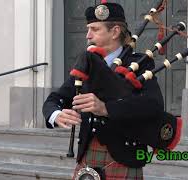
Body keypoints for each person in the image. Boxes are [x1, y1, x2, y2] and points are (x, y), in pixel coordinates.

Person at [42, 2, 164, 179]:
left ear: (114, 32)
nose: (87, 35)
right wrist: (56, 115)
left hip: (123, 156)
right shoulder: (86, 64)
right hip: (87, 156)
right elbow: (55, 99)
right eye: (88, 29)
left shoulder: (140, 63)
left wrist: (106, 108)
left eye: (95, 29)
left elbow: (153, 105)